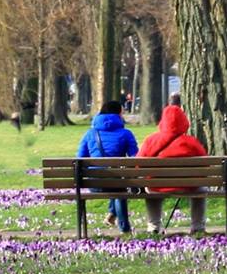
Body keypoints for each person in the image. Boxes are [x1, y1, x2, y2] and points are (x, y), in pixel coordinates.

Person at [138, 101, 208, 236]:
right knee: (201, 189)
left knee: (150, 187)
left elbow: (138, 164)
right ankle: (198, 226)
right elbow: (205, 164)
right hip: (189, 186)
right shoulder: (191, 141)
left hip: (157, 186)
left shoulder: (151, 140)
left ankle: (154, 226)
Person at [77, 99, 139, 232]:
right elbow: (135, 158)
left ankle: (112, 214)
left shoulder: (89, 134)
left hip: (94, 184)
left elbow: (79, 159)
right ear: (118, 115)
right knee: (118, 186)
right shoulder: (126, 134)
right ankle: (124, 229)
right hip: (116, 182)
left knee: (113, 182)